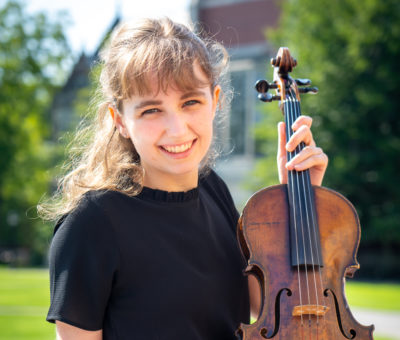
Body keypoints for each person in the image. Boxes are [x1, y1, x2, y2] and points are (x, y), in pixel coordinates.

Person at [39, 17, 328, 340]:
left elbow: (275, 309)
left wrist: (295, 202)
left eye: (190, 102)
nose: (177, 129)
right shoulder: (90, 224)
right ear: (119, 120)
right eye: (151, 110)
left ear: (215, 101)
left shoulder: (213, 190)